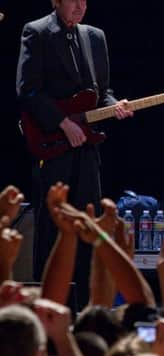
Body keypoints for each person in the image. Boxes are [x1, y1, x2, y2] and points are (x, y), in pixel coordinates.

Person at [16, 0, 133, 302]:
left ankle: (86, 302)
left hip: (86, 148)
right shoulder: (37, 31)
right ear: (56, 1)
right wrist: (62, 122)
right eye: (74, 0)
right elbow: (28, 88)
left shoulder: (95, 36)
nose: (81, 6)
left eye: (85, 0)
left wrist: (113, 106)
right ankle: (50, 303)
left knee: (88, 221)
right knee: (52, 228)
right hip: (52, 144)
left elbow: (101, 92)